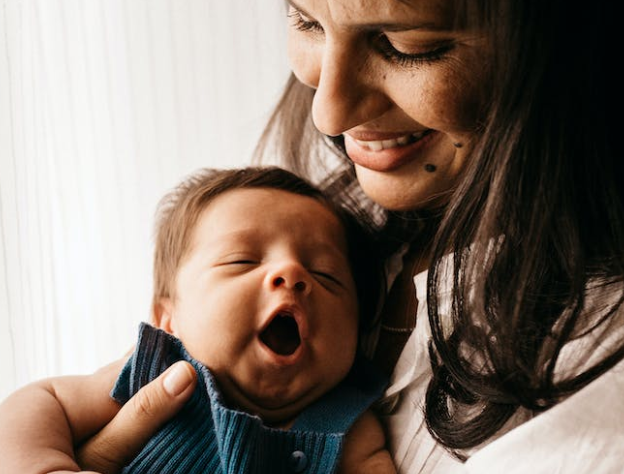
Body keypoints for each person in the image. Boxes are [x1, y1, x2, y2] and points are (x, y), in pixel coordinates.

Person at [1, 0, 623, 472]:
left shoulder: (343, 416)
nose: (327, 113)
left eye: (410, 44)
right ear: (167, 316)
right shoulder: (161, 369)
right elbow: (41, 403)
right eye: (305, 20)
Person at [0, 167, 396, 474]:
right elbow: (40, 401)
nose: (292, 273)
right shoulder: (154, 374)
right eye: (242, 260)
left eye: (326, 274)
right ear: (167, 318)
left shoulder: (351, 425)